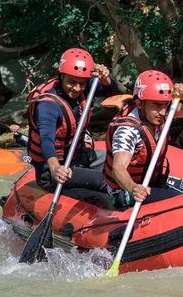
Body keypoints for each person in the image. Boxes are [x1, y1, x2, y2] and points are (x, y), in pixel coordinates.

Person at [27, 48, 119, 191]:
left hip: (80, 157)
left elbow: (111, 92)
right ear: (61, 76)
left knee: (120, 165)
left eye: (82, 83)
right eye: (72, 82)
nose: (77, 88)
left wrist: (105, 79)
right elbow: (46, 140)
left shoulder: (85, 86)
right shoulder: (47, 105)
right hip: (55, 170)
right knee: (107, 179)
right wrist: (55, 167)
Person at [103, 70, 183, 208]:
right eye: (157, 105)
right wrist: (133, 188)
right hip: (125, 191)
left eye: (165, 104)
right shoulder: (127, 130)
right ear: (140, 103)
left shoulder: (158, 111)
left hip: (152, 181)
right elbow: (118, 168)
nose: (163, 112)